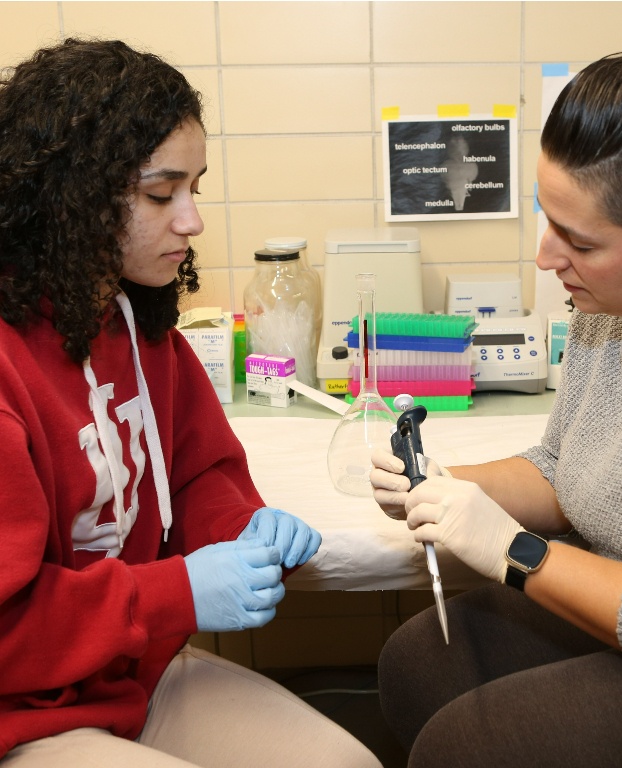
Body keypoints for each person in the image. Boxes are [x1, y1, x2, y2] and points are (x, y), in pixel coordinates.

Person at [370, 42, 622, 767]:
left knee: (465, 748)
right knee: (420, 662)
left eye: (578, 241)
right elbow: (564, 465)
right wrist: (449, 486)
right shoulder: (613, 296)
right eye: (546, 218)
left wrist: (516, 552)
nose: (546, 257)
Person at [0, 38, 382, 768]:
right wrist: (174, 594)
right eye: (159, 194)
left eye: (195, 189)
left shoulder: (140, 329)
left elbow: (199, 472)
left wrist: (244, 531)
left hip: (128, 679)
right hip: (22, 711)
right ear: (71, 196)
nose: (192, 221)